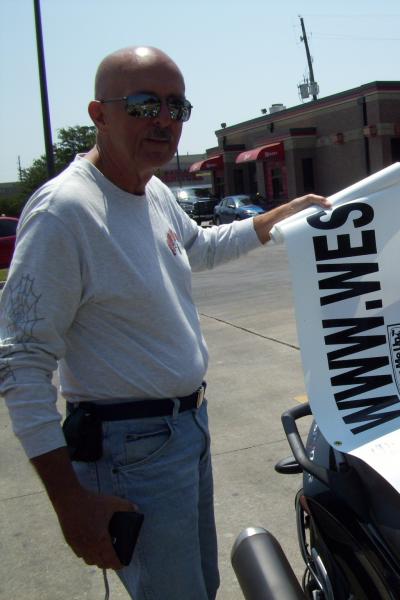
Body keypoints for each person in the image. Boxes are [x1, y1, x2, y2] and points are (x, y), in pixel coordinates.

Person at [0, 46, 329, 599]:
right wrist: (70, 503)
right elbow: (21, 362)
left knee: (198, 585)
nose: (164, 120)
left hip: (185, 432)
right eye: (145, 103)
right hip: (132, 448)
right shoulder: (65, 212)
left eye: (177, 107)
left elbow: (199, 247)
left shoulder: (151, 191)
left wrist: (279, 217)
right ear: (98, 113)